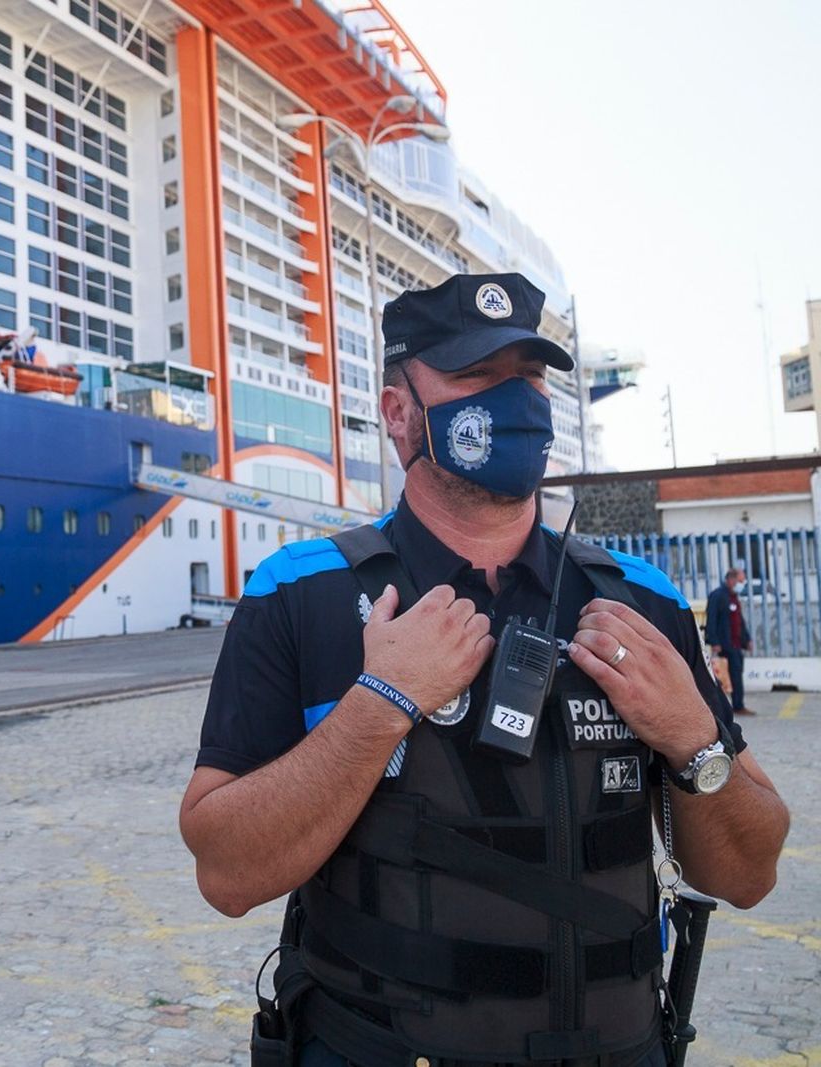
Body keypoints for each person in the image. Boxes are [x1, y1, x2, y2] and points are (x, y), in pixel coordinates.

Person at [180, 273, 790, 1066]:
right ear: (400, 413)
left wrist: (691, 736)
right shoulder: (300, 593)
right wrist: (380, 703)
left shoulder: (642, 600)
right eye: (477, 374)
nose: (516, 401)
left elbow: (749, 872)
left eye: (529, 376)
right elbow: (226, 874)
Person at [705, 568, 754, 715]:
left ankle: (738, 705)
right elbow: (711, 620)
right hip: (724, 645)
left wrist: (747, 639)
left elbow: (739, 621)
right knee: (724, 679)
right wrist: (714, 642)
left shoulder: (734, 597)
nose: (742, 584)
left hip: (736, 644)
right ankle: (725, 707)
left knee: (737, 675)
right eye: (740, 581)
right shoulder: (717, 596)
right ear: (731, 580)